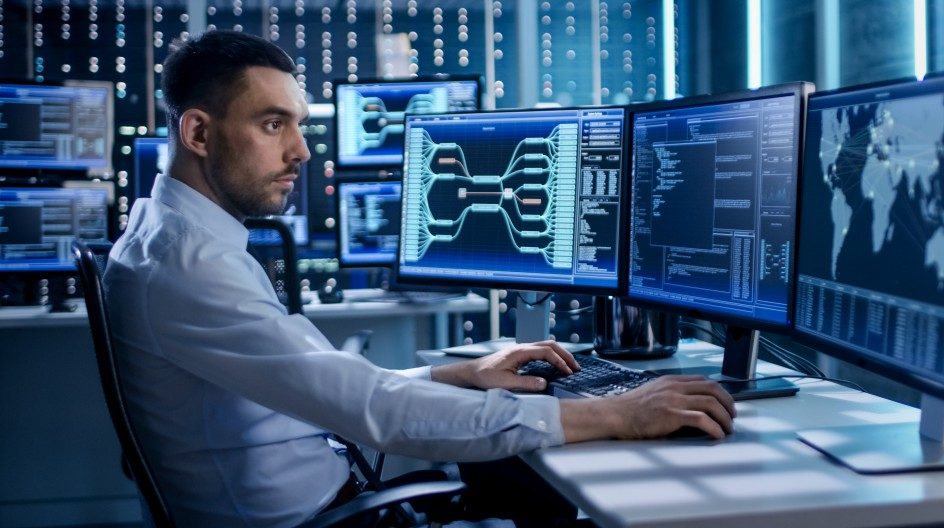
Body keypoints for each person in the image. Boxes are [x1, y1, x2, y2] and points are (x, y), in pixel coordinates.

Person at [104, 30, 735, 527]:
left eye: (298, 124)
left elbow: (323, 388)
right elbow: (371, 411)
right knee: (556, 481)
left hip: (333, 495)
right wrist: (618, 415)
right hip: (329, 518)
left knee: (527, 475)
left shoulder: (171, 240)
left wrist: (454, 374)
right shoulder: (188, 269)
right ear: (198, 132)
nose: (301, 149)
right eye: (274, 124)